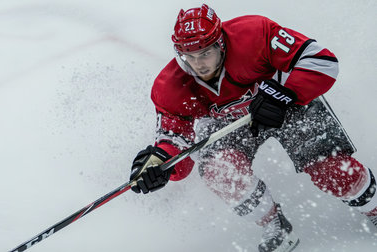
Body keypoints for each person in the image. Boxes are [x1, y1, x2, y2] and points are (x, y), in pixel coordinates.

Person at [129, 4, 377, 252]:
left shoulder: (254, 34)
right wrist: (161, 163)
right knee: (221, 171)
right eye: (189, 57)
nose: (198, 65)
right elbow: (177, 147)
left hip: (288, 102)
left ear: (221, 44)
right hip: (226, 124)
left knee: (333, 171)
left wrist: (283, 95)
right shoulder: (169, 86)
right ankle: (275, 226)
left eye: (205, 54)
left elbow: (322, 61)